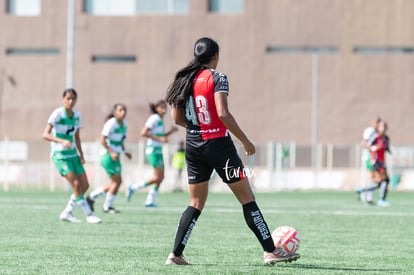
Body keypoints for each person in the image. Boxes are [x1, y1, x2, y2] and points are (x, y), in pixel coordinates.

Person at [163, 37, 300, 265]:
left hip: (193, 146)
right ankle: (270, 251)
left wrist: (199, 129)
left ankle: (175, 254)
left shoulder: (183, 78)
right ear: (215, 56)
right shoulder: (218, 77)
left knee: (195, 203)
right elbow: (223, 113)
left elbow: (176, 118)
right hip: (219, 146)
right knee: (247, 198)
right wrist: (245, 142)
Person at [42, 88, 101, 224]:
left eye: (73, 99)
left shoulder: (77, 116)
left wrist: (81, 154)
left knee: (84, 185)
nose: (71, 101)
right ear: (63, 99)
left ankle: (67, 212)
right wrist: (62, 141)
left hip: (73, 154)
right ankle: (89, 214)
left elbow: (77, 137)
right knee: (75, 184)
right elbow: (45, 134)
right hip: (60, 155)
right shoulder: (57, 114)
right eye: (68, 98)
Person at [126, 100, 178, 207]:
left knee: (161, 177)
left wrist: (170, 132)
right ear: (156, 108)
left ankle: (150, 200)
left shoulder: (159, 119)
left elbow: (160, 136)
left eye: (165, 108)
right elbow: (144, 132)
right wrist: (160, 139)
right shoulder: (154, 118)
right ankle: (133, 187)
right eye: (161, 107)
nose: (164, 110)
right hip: (152, 150)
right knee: (156, 177)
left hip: (158, 150)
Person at [86, 103, 132, 214]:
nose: (123, 112)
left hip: (116, 156)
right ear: (114, 112)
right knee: (117, 182)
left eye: (124, 110)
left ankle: (91, 197)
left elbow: (120, 141)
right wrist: (111, 152)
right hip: (107, 155)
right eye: (120, 110)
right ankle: (107, 206)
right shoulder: (111, 123)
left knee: (115, 182)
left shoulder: (124, 124)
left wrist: (125, 152)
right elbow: (102, 140)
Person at [357, 120, 391, 207]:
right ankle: (381, 200)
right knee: (385, 181)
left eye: (384, 127)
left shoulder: (385, 138)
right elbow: (366, 144)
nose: (383, 129)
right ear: (378, 128)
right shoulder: (375, 136)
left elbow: (385, 148)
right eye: (381, 127)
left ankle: (362, 190)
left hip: (382, 161)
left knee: (379, 183)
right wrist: (373, 148)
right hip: (376, 162)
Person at [357, 117, 381, 204]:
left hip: (374, 157)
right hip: (370, 157)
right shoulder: (370, 131)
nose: (378, 125)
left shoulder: (377, 133)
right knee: (375, 178)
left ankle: (365, 194)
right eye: (377, 123)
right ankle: (366, 194)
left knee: (375, 178)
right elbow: (364, 142)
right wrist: (372, 149)